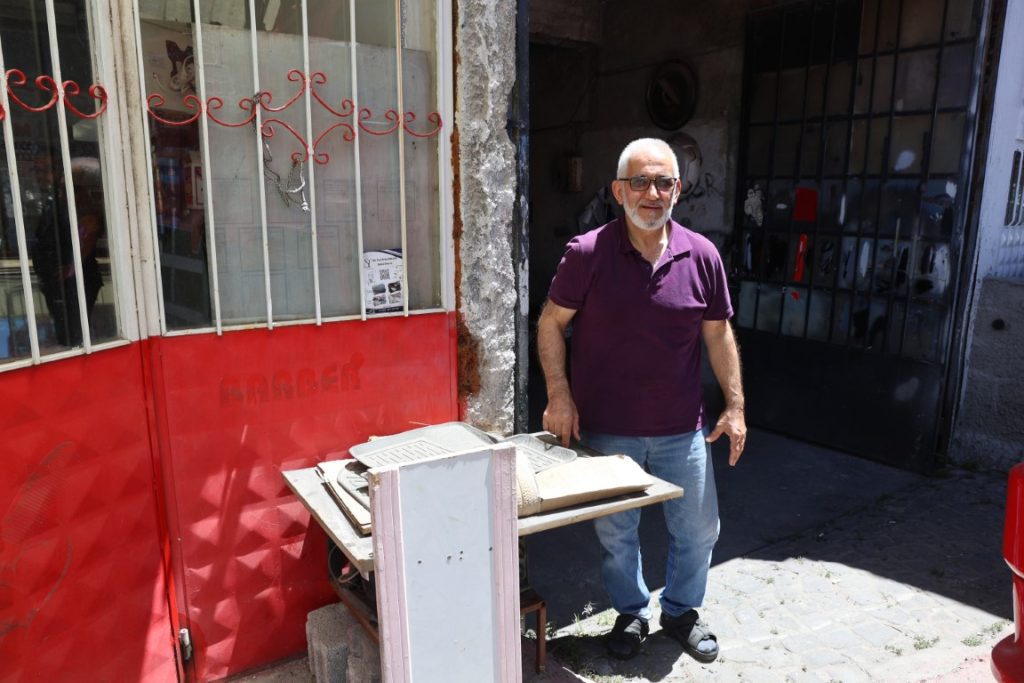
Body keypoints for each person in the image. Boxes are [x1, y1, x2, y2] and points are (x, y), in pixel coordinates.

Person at [537, 138, 746, 663]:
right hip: (607, 429)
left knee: (699, 530)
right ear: (618, 190)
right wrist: (559, 396)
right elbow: (550, 323)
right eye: (640, 182)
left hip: (682, 429)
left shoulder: (702, 255)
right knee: (617, 535)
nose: (651, 193)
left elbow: (718, 333)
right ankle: (631, 613)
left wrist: (735, 405)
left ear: (678, 189)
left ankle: (680, 612)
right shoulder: (588, 253)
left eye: (663, 182)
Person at [31, 157, 104, 347]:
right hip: (58, 280)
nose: (41, 176)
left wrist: (71, 268)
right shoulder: (54, 201)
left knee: (74, 332)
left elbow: (88, 234)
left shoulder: (79, 203)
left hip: (75, 281)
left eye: (45, 171)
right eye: (37, 171)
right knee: (66, 329)